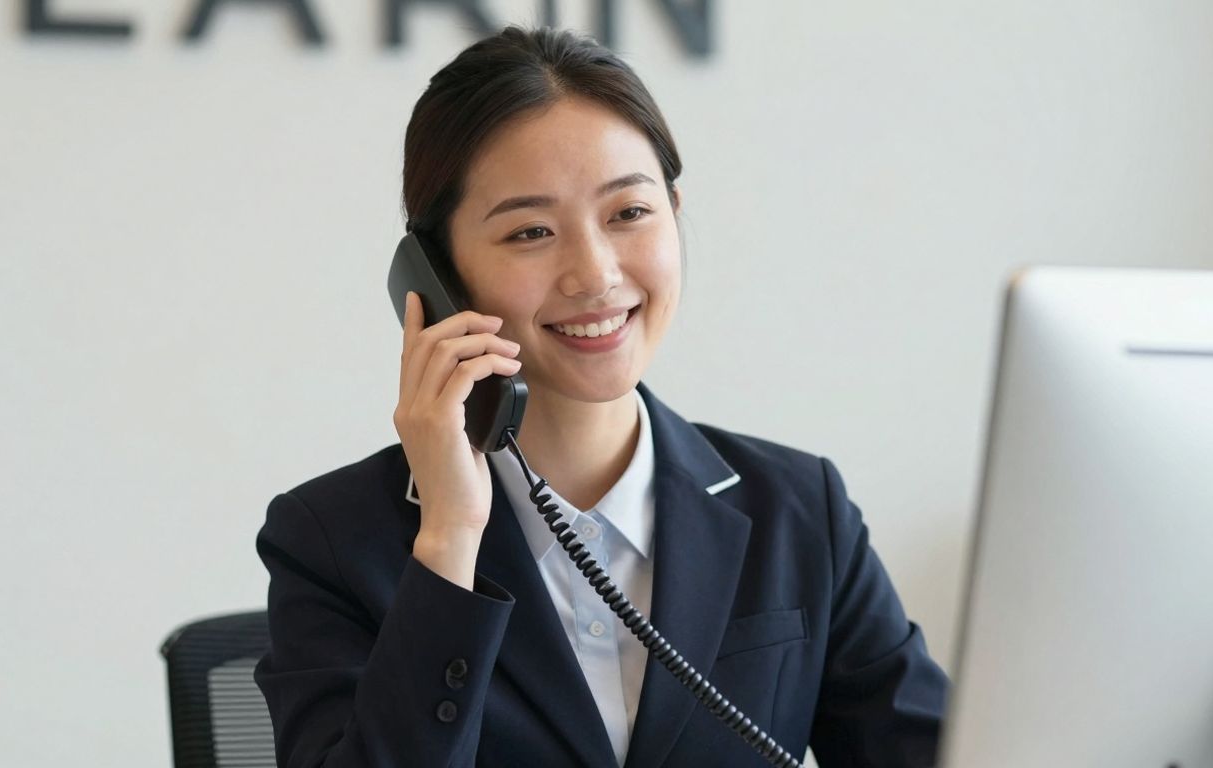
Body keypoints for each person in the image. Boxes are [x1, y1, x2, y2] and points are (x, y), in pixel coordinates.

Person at [253, 26, 948, 768]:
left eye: (628, 214)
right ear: (437, 276)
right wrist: (450, 539)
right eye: (530, 231)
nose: (594, 275)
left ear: (675, 214)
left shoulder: (800, 511)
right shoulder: (331, 540)